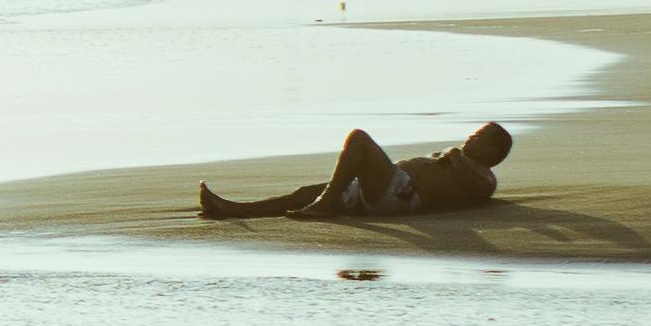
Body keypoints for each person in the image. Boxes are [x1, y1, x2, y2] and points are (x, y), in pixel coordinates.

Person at [199, 117, 510, 225]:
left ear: (493, 152)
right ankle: (233, 209)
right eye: (474, 132)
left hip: (402, 195)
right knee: (302, 194)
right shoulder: (455, 158)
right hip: (381, 188)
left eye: (479, 136)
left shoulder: (483, 176)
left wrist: (454, 155)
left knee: (359, 139)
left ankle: (327, 203)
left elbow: (479, 186)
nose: (471, 137)